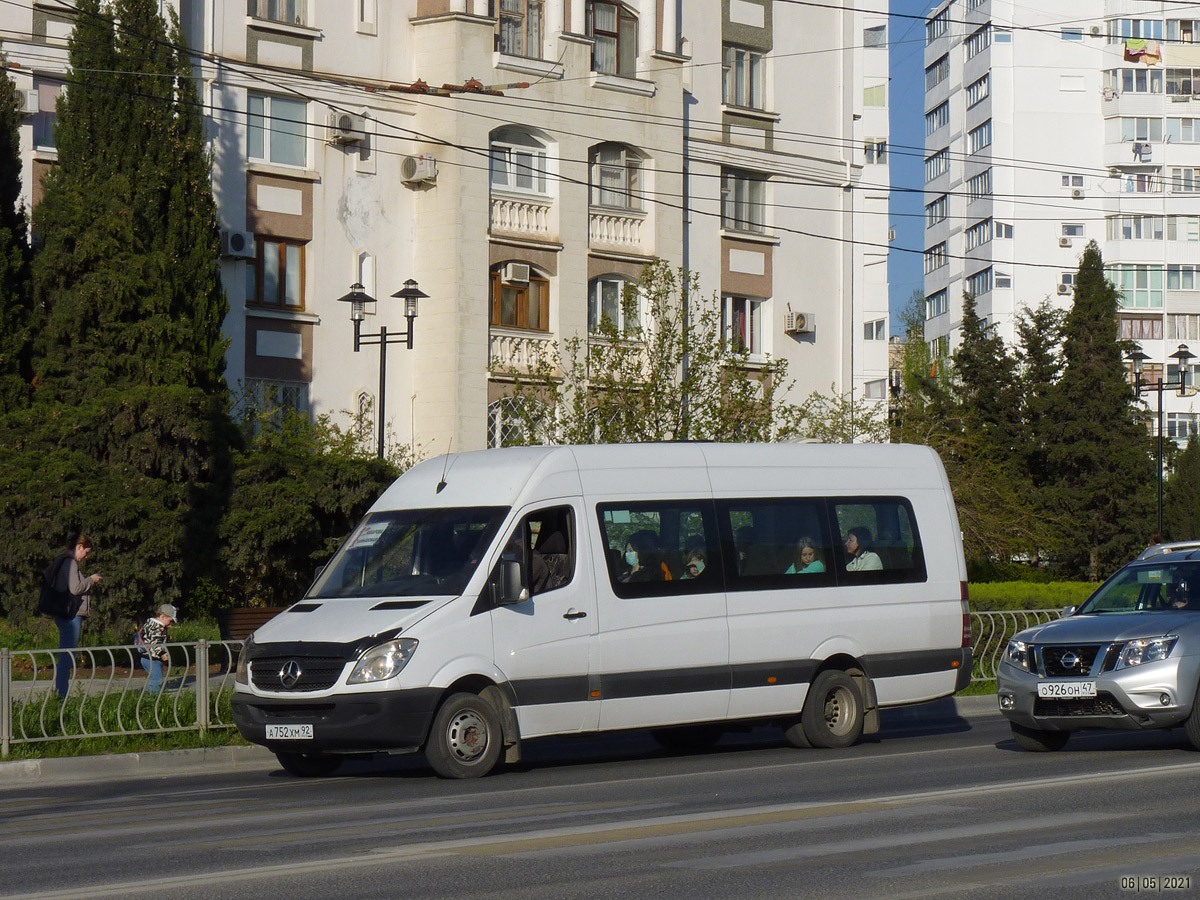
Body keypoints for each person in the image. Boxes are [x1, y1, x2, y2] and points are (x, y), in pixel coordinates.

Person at [51, 533, 103, 699]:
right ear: (79, 547)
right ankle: (61, 696)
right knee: (67, 656)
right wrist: (92, 580)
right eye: (86, 552)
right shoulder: (71, 563)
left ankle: (61, 694)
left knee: (66, 655)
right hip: (72, 616)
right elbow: (76, 588)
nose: (86, 557)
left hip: (65, 614)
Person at [138, 604, 178, 693]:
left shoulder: (154, 626)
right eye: (170, 621)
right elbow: (155, 643)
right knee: (157, 679)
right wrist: (162, 654)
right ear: (163, 617)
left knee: (155, 677)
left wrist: (167, 638)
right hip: (151, 657)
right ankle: (153, 697)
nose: (170, 624)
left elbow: (154, 638)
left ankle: (146, 694)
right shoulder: (155, 627)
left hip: (149, 657)